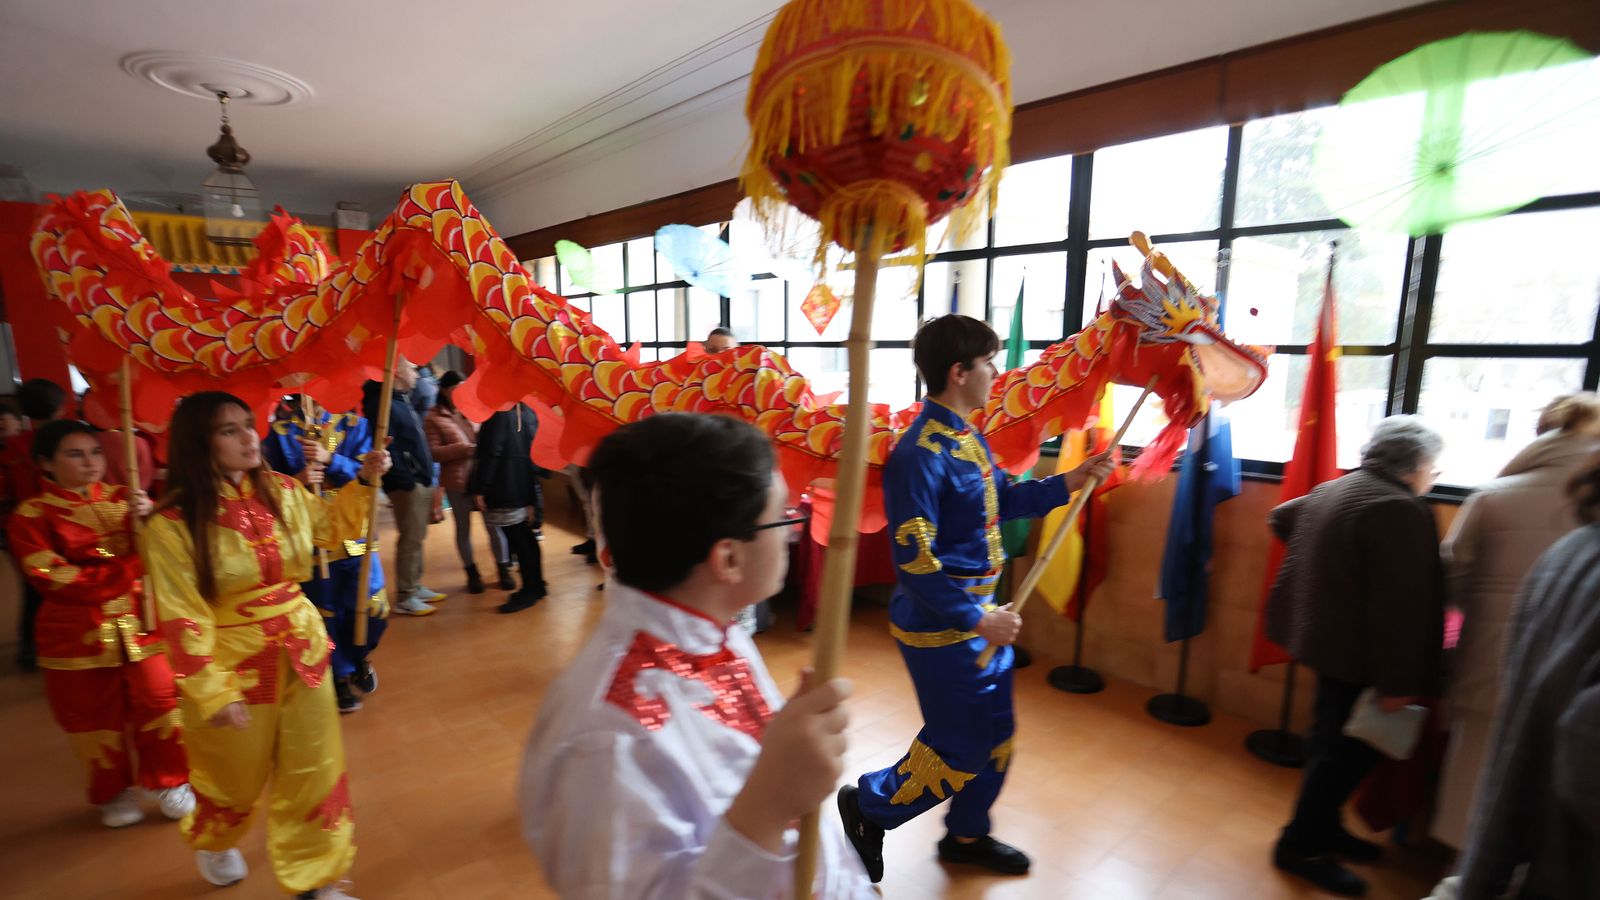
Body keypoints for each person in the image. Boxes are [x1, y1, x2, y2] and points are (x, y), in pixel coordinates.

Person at [520, 413, 874, 897]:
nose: (791, 533)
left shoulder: (715, 630)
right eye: (782, 517)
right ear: (728, 558)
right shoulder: (608, 740)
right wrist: (768, 806)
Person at [838, 315, 1111, 884]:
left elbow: (1003, 499)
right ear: (959, 372)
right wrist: (976, 618)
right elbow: (916, 563)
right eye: (988, 362)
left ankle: (966, 835)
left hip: (987, 618)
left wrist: (1072, 479)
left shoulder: (967, 437)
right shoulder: (919, 454)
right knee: (960, 745)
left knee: (996, 737)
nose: (996, 372)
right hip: (941, 627)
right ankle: (868, 807)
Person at [140, 392, 389, 898]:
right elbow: (181, 613)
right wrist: (213, 690)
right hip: (235, 666)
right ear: (199, 443)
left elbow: (332, 533)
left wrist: (364, 481)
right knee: (234, 778)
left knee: (314, 767)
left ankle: (315, 880)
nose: (248, 438)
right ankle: (215, 838)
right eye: (228, 430)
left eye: (248, 425)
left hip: (303, 650)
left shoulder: (284, 490)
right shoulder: (171, 523)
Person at [1265, 415, 1446, 896]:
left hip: (1326, 640)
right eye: (1434, 469)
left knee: (1330, 743)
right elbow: (1401, 609)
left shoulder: (1337, 488)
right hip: (1358, 652)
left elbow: (1281, 518)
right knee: (1343, 756)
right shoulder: (1400, 508)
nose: (1433, 478)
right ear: (1416, 466)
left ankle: (1324, 830)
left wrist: (1328, 569)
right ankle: (1300, 846)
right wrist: (1398, 683)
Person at [1433, 393, 1600, 849]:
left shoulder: (1493, 495)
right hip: (1579, 670)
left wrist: (1451, 645)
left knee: (1473, 775)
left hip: (1489, 656)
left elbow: (1453, 580)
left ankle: (1462, 870)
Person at [7, 419, 194, 827]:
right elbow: (54, 577)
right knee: (91, 717)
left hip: (142, 621)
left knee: (161, 698)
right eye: (75, 454)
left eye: (94, 452)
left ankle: (169, 779)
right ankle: (113, 790)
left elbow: (170, 546)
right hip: (76, 633)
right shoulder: (31, 516)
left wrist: (154, 517)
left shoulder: (127, 499)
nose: (90, 462)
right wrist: (131, 566)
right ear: (46, 463)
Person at [262, 398, 391, 713]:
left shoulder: (355, 425)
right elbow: (268, 486)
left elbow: (367, 474)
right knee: (326, 612)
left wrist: (330, 459)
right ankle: (340, 675)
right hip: (313, 538)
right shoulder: (279, 433)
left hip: (356, 531)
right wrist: (299, 481)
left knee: (372, 606)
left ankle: (358, 655)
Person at [361, 362, 442, 615]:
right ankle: (406, 594)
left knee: (417, 535)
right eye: (412, 369)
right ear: (396, 372)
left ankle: (415, 585)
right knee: (410, 537)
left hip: (418, 479)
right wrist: (407, 480)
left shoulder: (400, 399)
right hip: (407, 483)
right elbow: (388, 446)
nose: (416, 375)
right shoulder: (381, 403)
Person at [4, 377, 72, 670]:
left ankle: (30, 649)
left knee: (34, 588)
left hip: (24, 528)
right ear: (61, 406)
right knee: (72, 582)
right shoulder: (70, 440)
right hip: (68, 523)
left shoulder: (12, 446)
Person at [424, 371, 512, 593]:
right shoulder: (433, 417)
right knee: (463, 528)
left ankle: (503, 568)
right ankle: (472, 573)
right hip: (457, 480)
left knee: (494, 525)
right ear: (445, 390)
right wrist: (465, 449)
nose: (462, 392)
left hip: (482, 478)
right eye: (457, 388)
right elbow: (434, 453)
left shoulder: (474, 409)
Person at [468, 403, 547, 613]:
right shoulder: (527, 411)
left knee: (519, 539)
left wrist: (481, 488)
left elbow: (492, 452)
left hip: (505, 483)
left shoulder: (500, 414)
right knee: (526, 537)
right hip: (523, 483)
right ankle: (537, 585)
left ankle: (529, 591)